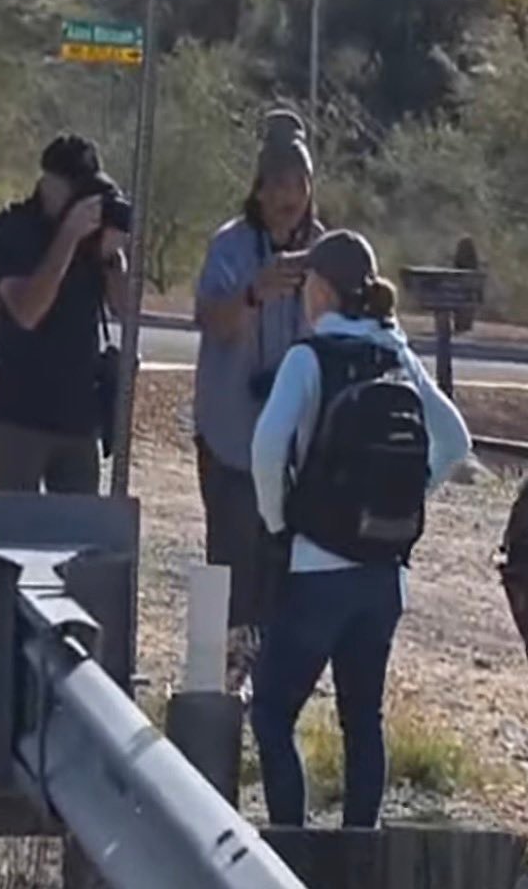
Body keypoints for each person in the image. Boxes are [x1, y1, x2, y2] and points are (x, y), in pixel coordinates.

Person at [250, 230, 471, 828]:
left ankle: (292, 856)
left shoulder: (309, 358)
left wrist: (281, 523)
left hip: (318, 569)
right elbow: (456, 442)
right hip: (383, 576)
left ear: (319, 290)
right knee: (361, 720)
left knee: (272, 713)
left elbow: (267, 448)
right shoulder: (395, 356)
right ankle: (359, 857)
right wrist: (404, 497)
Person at [193, 110, 323, 698]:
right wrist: (255, 291)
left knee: (284, 560)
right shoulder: (230, 246)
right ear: (259, 190)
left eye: (297, 185)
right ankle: (215, 678)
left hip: (295, 444)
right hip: (231, 435)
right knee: (229, 554)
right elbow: (213, 321)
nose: (287, 197)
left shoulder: (325, 251)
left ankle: (270, 678)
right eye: (276, 185)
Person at [0, 134, 129, 493]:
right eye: (77, 190)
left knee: (75, 536)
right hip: (20, 414)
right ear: (48, 183)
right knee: (14, 537)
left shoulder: (91, 242)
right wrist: (67, 236)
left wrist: (111, 257)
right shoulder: (12, 229)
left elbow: (125, 309)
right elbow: (28, 311)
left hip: (78, 416)